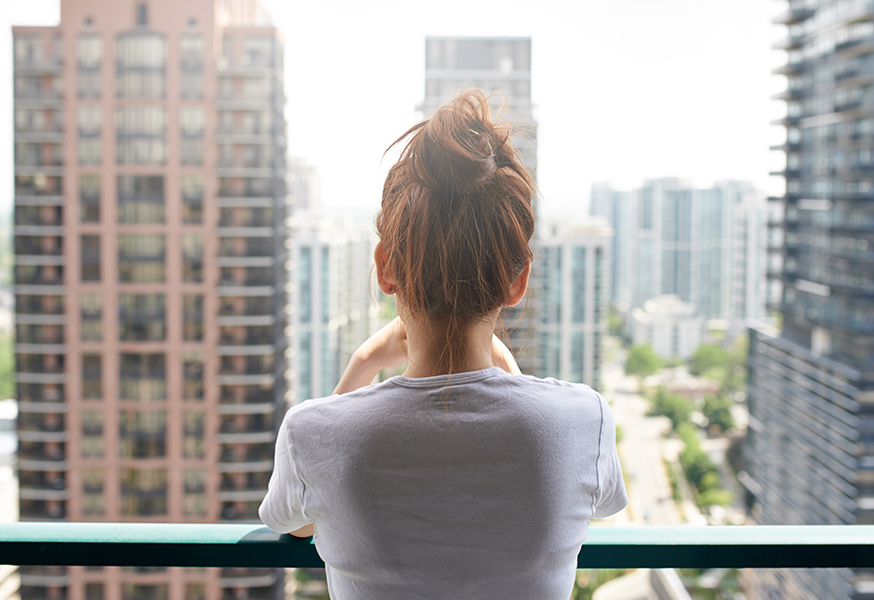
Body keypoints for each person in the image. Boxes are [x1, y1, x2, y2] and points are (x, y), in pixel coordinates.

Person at [259, 89, 627, 599]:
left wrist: (362, 364)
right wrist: (506, 370)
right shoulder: (585, 420)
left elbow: (294, 524)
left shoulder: (312, 432)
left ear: (386, 267)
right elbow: (595, 501)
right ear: (516, 284)